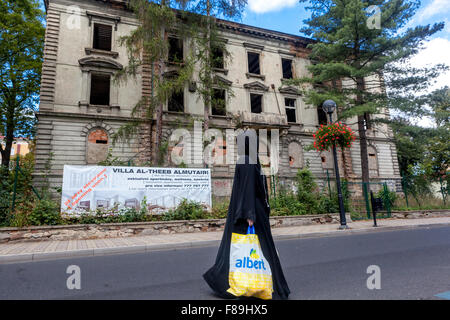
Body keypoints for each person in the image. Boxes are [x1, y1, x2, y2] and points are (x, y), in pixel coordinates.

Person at [203, 129, 290, 300]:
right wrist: (250, 213)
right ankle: (269, 286)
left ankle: (227, 280)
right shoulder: (249, 161)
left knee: (236, 249)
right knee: (262, 249)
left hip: (242, 210)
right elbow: (248, 187)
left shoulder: (245, 160)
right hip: (251, 213)